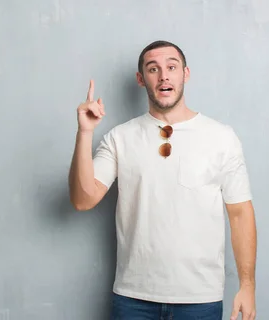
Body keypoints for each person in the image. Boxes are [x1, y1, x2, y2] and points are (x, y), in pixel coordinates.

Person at [68, 40, 257, 320]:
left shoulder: (221, 137)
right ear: (141, 79)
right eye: (153, 69)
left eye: (171, 67)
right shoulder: (120, 138)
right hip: (133, 298)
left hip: (200, 299)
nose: (164, 76)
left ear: (186, 74)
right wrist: (85, 133)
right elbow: (83, 200)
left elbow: (240, 213)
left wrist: (247, 286)